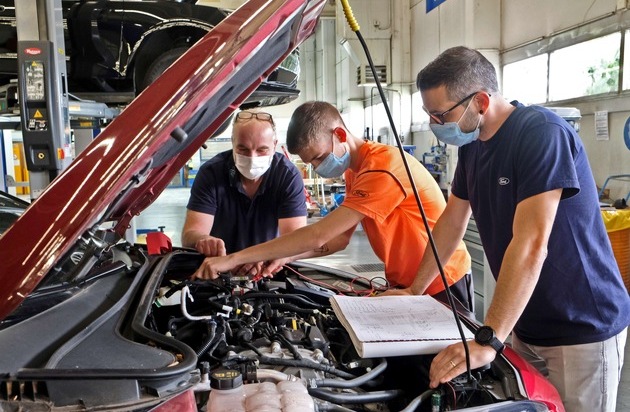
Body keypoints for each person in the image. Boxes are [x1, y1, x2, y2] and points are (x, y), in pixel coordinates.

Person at [396, 45, 629, 412]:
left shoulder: (540, 134)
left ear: (482, 101)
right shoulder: (473, 148)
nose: (435, 125)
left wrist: (488, 339)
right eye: (429, 115)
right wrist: (414, 290)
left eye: (440, 115)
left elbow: (531, 242)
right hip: (522, 324)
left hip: (579, 325)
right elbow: (451, 222)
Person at [192, 101, 474, 311]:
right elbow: (339, 240)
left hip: (441, 282)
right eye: (310, 162)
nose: (317, 167)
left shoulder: (383, 168)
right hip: (408, 284)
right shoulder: (356, 171)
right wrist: (285, 257)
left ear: (340, 134)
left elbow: (319, 235)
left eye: (318, 157)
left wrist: (232, 259)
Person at [182, 110, 307, 277]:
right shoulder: (211, 173)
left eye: (262, 150)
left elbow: (295, 240)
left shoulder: (287, 176)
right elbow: (190, 234)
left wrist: (261, 257)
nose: (252, 157)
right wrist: (203, 240)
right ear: (233, 143)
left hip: (267, 271)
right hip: (218, 271)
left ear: (275, 144)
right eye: (243, 149)